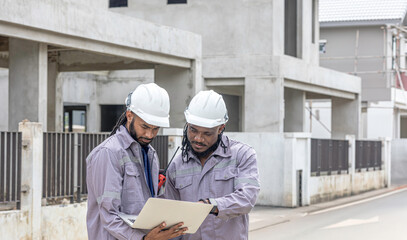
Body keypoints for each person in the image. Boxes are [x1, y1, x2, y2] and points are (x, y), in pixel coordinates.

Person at [86, 83, 187, 240]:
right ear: (129, 115)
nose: (149, 134)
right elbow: (108, 216)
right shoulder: (109, 153)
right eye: (145, 126)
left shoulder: (150, 155)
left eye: (155, 129)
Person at [163, 90, 260, 240]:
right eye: (193, 130)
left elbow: (247, 198)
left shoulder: (242, 155)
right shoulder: (177, 165)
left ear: (221, 128)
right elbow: (171, 217)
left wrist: (211, 206)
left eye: (207, 133)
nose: (198, 139)